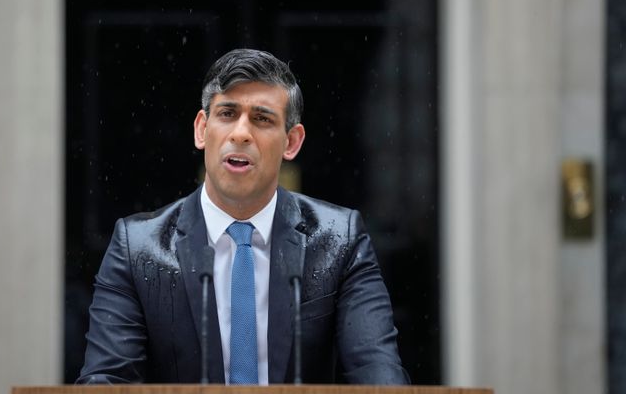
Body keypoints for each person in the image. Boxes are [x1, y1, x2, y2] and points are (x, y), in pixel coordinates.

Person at [77, 48, 409, 385]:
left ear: (291, 142)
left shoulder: (340, 241)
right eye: (227, 114)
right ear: (202, 130)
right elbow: (106, 380)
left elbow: (379, 378)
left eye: (262, 118)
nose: (241, 133)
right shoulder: (138, 248)